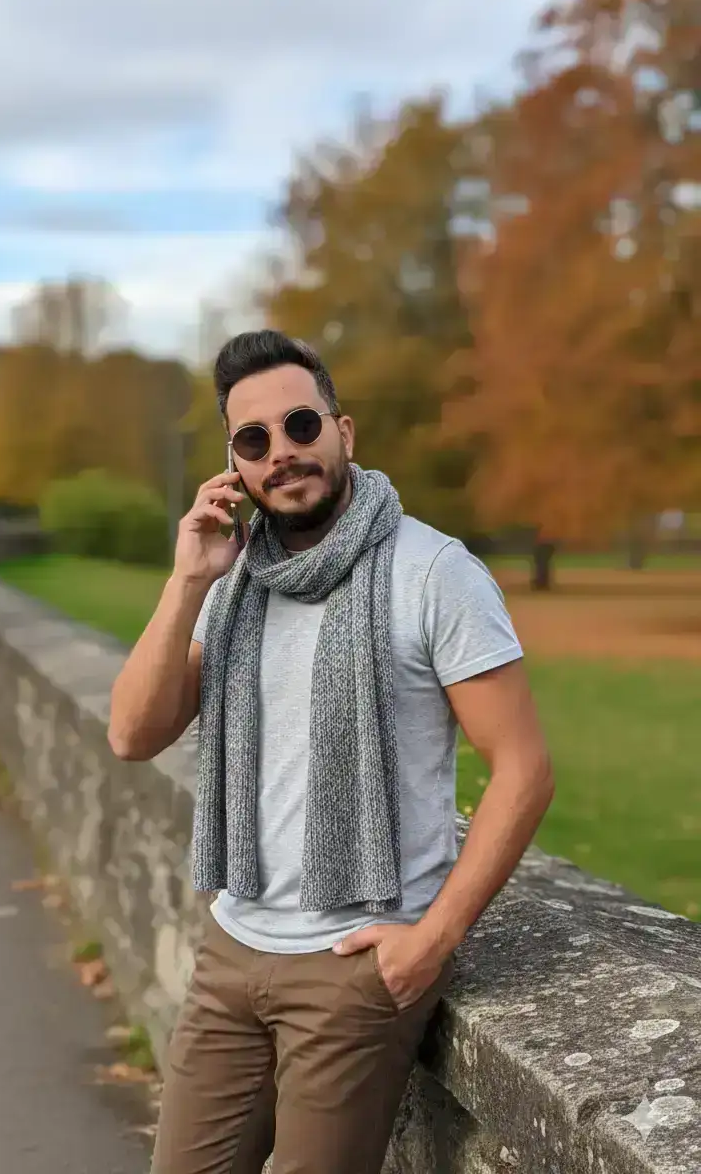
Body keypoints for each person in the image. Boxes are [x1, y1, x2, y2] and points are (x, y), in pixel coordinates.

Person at [108, 330, 553, 1174]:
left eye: (301, 425)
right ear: (234, 466)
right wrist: (188, 580)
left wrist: (433, 940)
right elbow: (132, 734)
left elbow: (524, 770)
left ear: (343, 431)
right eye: (254, 440)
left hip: (352, 964)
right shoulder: (233, 580)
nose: (281, 451)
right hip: (233, 945)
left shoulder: (433, 572)